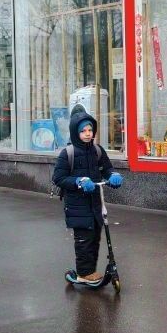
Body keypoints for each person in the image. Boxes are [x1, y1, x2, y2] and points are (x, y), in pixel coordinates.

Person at [51, 108, 123, 288]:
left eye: (90, 130)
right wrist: (79, 181)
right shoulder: (68, 154)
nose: (88, 134)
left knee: (95, 238)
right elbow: (58, 178)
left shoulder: (97, 151)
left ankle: (89, 271)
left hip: (96, 203)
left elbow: (106, 168)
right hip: (78, 206)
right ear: (76, 132)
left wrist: (113, 176)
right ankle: (84, 273)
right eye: (83, 131)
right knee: (84, 240)